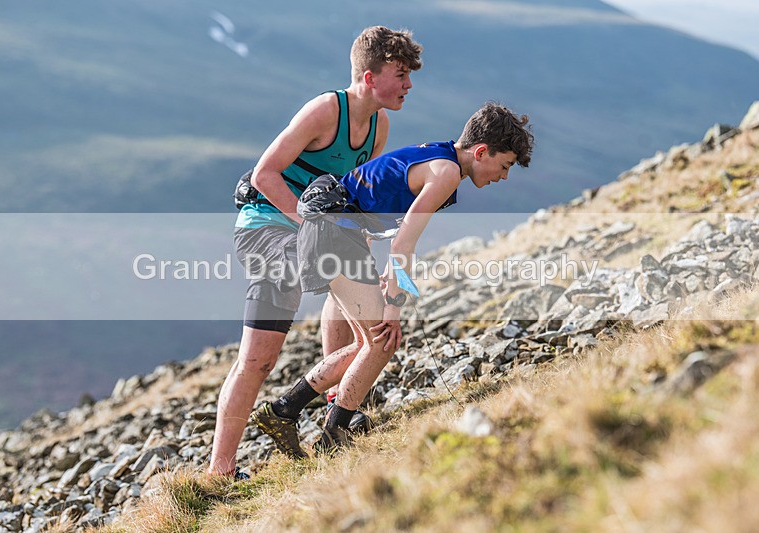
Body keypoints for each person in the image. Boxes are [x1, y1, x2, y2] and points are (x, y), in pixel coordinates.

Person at [253, 102, 534, 454]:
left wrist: (395, 285)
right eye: (504, 165)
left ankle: (285, 411)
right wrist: (395, 306)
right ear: (481, 151)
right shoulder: (445, 173)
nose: (503, 176)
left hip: (332, 230)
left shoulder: (439, 156)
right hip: (335, 231)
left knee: (364, 344)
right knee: (381, 341)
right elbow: (404, 242)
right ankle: (332, 435)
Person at [208, 26, 423, 477]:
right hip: (266, 228)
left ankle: (332, 407)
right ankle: (220, 471)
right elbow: (266, 174)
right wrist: (313, 228)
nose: (408, 84)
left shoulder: (378, 125)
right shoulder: (327, 110)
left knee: (346, 284)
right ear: (369, 76)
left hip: (316, 236)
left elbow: (351, 195)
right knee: (258, 359)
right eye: (400, 74)